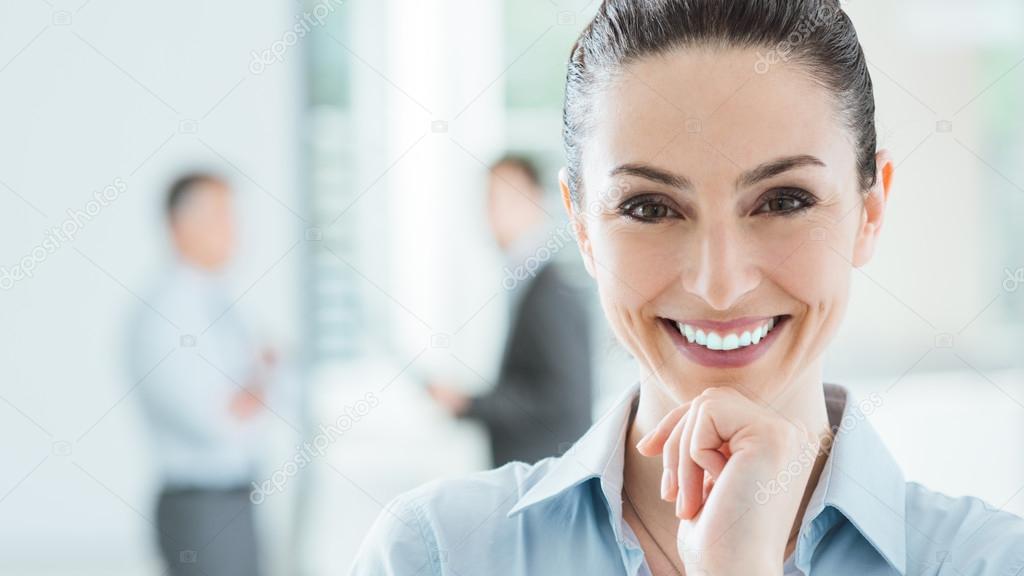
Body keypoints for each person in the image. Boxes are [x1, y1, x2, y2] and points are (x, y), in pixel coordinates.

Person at [351, 1, 1024, 575]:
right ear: (582, 228)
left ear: (869, 213)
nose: (720, 285)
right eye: (649, 208)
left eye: (784, 200)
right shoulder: (438, 554)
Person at [130, 173, 271, 576]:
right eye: (220, 216)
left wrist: (256, 389)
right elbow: (217, 421)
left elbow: (262, 400)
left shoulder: (223, 300)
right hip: (199, 507)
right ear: (179, 225)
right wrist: (260, 384)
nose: (233, 229)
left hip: (238, 498)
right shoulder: (164, 311)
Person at [427, 154, 593, 466]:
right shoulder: (524, 281)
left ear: (537, 201)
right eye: (489, 200)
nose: (493, 213)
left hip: (544, 477)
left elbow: (561, 398)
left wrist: (469, 404)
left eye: (506, 199)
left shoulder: (550, 291)